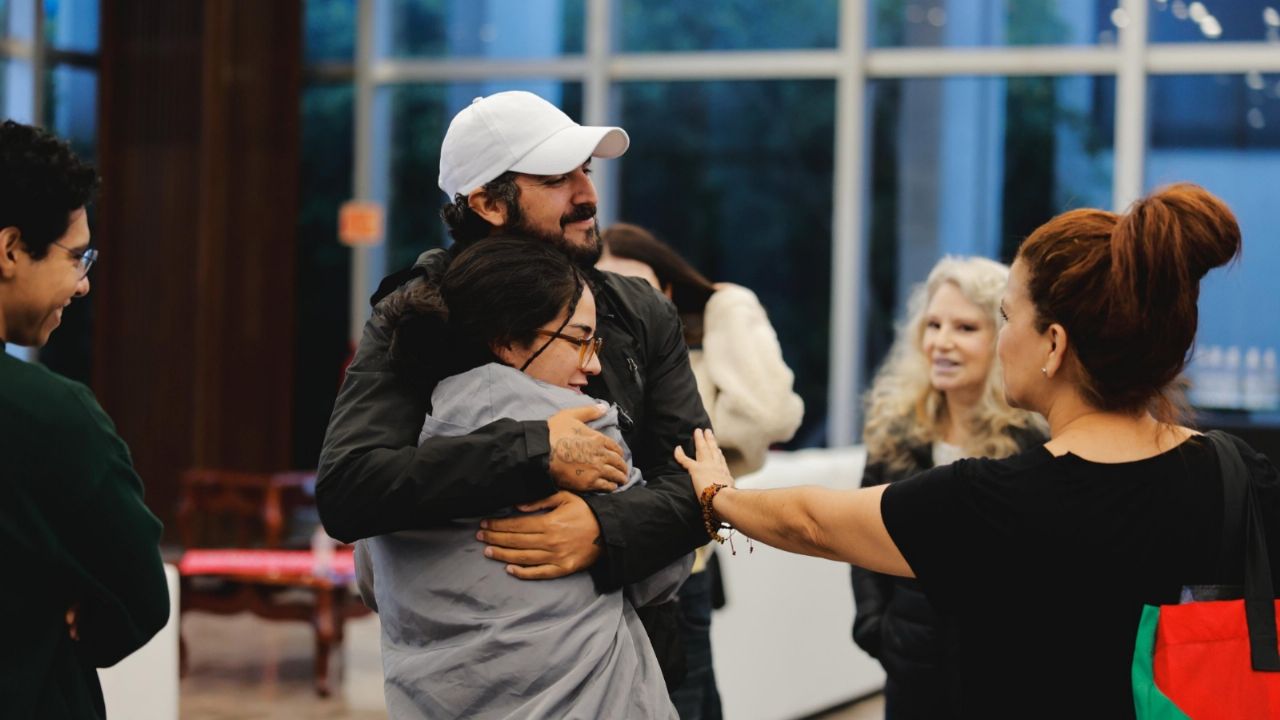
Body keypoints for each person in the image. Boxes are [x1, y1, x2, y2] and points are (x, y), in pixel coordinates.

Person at [675, 184, 1280, 717]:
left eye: (1004, 316)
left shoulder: (994, 500)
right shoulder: (1236, 472)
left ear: (1053, 344)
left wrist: (717, 496)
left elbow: (813, 523)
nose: (997, 338)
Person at [317, 92, 709, 680]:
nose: (588, 195)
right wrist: (536, 451)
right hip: (474, 681)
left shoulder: (639, 311)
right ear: (487, 204)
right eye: (557, 178)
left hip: (639, 665)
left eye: (587, 171)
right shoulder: (421, 315)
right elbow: (350, 491)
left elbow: (700, 484)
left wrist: (602, 530)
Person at [357, 237, 689, 718]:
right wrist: (703, 499)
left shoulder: (401, 434)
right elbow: (660, 572)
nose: (594, 363)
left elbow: (373, 586)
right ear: (507, 341)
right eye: (580, 339)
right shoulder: (581, 430)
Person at [599, 222, 804, 719]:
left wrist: (725, 304)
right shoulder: (583, 361)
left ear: (666, 289)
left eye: (640, 286)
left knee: (688, 701)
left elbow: (771, 416)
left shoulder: (688, 360)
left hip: (684, 563)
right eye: (607, 288)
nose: (624, 301)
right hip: (611, 568)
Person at [0, 120, 169, 718]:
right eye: (78, 257)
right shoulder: (49, 416)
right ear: (11, 250)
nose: (84, 283)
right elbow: (141, 598)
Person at [849, 256, 1046, 718]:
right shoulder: (895, 434)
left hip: (1007, 684)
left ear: (1004, 338)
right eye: (933, 325)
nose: (941, 342)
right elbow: (860, 543)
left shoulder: (1033, 444)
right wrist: (876, 629)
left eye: (964, 328)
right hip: (910, 674)